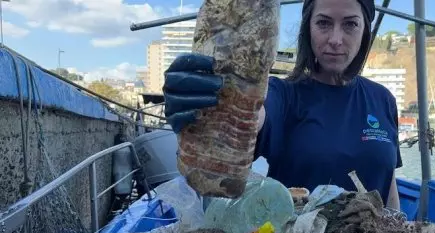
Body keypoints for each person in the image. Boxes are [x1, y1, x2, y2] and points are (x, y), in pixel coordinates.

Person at [162, 0, 402, 210]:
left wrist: (399, 231)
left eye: (350, 24)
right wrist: (216, 106)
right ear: (308, 28)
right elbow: (255, 114)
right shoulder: (283, 93)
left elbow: (388, 182)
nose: (336, 40)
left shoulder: (383, 99)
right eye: (323, 23)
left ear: (365, 31)